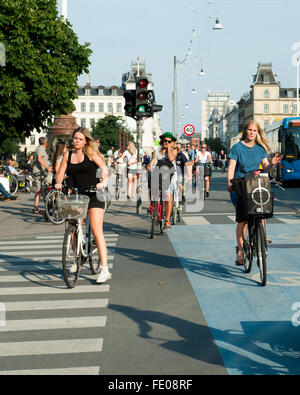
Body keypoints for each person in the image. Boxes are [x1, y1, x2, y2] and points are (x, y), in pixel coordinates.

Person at [55, 127, 111, 284]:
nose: (76, 141)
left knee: (95, 228)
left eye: (80, 139)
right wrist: (58, 183)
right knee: (72, 227)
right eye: (74, 138)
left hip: (94, 194)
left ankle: (105, 269)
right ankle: (77, 258)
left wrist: (103, 182)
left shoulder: (90, 153)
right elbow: (60, 174)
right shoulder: (68, 155)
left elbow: (104, 168)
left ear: (85, 140)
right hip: (77, 195)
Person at [227, 119, 283, 266]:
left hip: (256, 185)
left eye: (254, 131)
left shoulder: (260, 149)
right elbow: (232, 167)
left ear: (257, 133)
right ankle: (240, 250)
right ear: (245, 131)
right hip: (240, 186)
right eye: (249, 130)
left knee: (261, 214)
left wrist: (272, 164)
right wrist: (230, 183)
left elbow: (265, 167)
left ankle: (261, 244)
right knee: (243, 220)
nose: (252, 133)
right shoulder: (237, 148)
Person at [148, 132, 177, 230]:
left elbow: (171, 158)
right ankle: (152, 204)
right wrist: (149, 165)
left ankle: (167, 219)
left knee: (168, 196)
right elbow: (153, 161)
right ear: (161, 141)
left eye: (169, 141)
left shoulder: (174, 151)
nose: (166, 142)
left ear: (172, 143)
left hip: (169, 176)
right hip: (158, 174)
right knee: (150, 186)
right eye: (165, 140)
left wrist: (169, 148)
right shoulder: (156, 151)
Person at [32, 137, 53, 214]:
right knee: (39, 190)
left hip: (39, 171)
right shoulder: (41, 149)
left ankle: (36, 208)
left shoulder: (39, 148)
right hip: (39, 172)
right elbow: (39, 159)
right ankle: (36, 208)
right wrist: (48, 167)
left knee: (40, 191)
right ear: (45, 142)